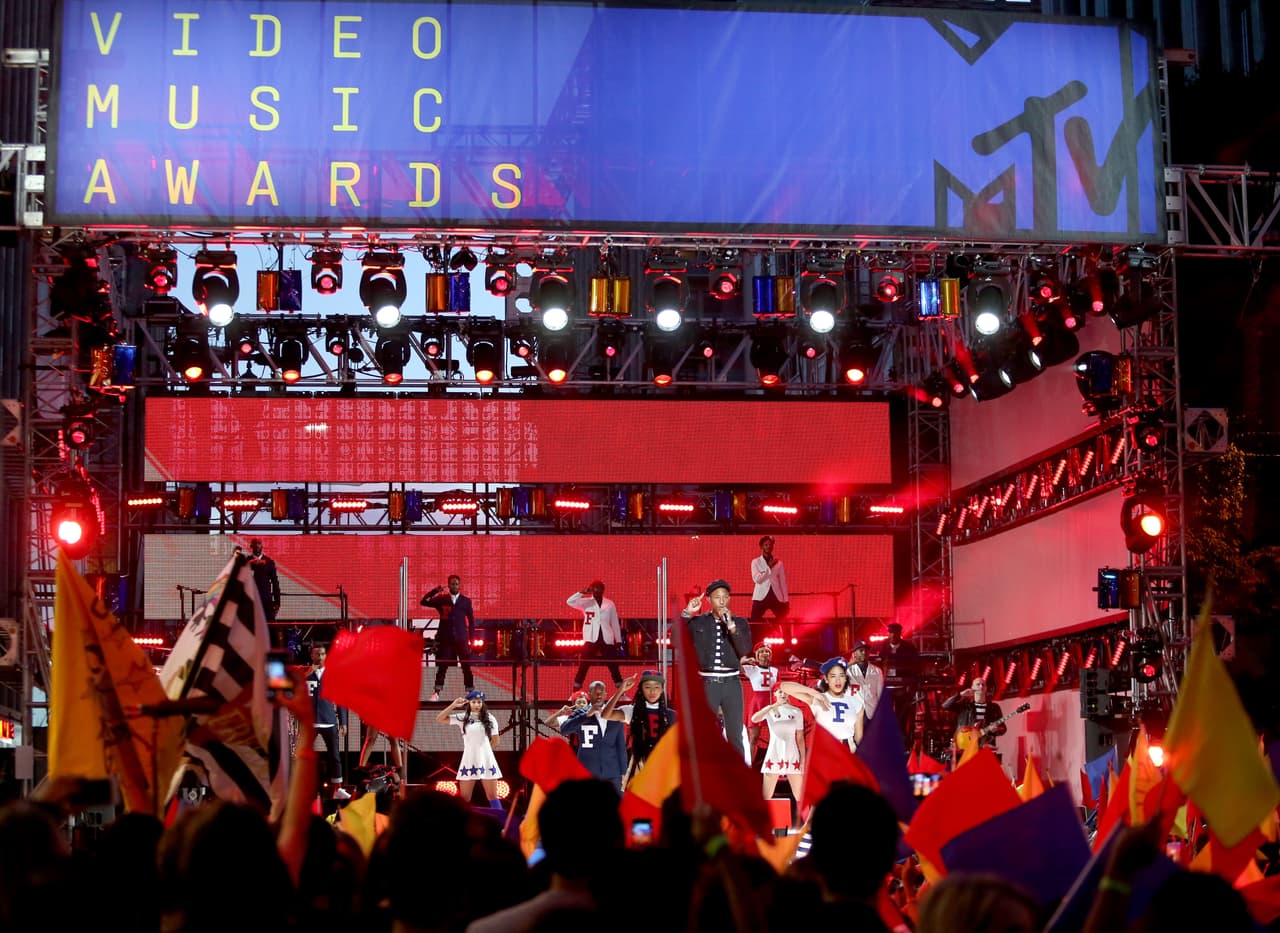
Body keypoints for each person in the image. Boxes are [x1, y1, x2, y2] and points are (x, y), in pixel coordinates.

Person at [680, 579, 753, 761]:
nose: (721, 601)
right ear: (709, 600)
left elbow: (744, 649)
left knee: (735, 733)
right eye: (717, 597)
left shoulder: (740, 623)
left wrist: (732, 627)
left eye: (725, 597)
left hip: (732, 683)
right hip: (707, 683)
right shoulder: (698, 622)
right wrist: (687, 612)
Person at [601, 670, 677, 784]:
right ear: (641, 689)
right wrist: (621, 690)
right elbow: (605, 714)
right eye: (647, 687)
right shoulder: (632, 711)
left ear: (662, 690)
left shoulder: (671, 715)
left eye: (656, 687)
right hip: (639, 767)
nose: (652, 691)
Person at [779, 657, 865, 752]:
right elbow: (784, 686)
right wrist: (813, 692)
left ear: (845, 678)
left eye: (841, 676)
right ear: (826, 679)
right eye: (833, 676)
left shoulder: (856, 702)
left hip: (848, 750)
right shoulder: (818, 699)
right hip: (824, 750)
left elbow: (859, 737)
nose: (838, 680)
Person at [435, 689, 503, 809]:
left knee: (492, 795)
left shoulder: (490, 718)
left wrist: (484, 754)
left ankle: (502, 824)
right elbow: (439, 718)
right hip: (469, 759)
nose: (476, 705)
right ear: (469, 703)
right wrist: (454, 705)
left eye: (479, 702)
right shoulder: (463, 718)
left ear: (482, 703)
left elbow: (495, 741)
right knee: (464, 798)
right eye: (473, 702)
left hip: (487, 760)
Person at [558, 681, 628, 793]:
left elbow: (620, 746)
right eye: (596, 693)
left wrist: (624, 772)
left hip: (612, 772)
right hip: (587, 772)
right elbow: (564, 729)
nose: (599, 696)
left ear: (606, 694)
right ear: (589, 694)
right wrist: (586, 715)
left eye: (602, 693)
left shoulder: (615, 714)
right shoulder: (581, 713)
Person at [304, 643, 349, 798]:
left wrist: (343, 722)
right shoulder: (305, 674)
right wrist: (306, 674)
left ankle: (338, 788)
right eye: (317, 654)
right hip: (310, 722)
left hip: (329, 720)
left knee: (334, 755)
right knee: (304, 755)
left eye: (323, 654)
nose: (320, 657)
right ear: (312, 656)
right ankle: (302, 787)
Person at [422, 574, 476, 701]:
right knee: (443, 665)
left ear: (460, 585)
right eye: (452, 583)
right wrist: (435, 591)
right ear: (448, 585)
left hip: (461, 639)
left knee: (466, 666)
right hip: (445, 639)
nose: (455, 586)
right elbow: (423, 601)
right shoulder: (442, 599)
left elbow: (472, 621)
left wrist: (472, 639)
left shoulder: (466, 601)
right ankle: (436, 692)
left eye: (457, 583)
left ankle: (470, 692)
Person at [750, 686, 805, 802]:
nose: (783, 694)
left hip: (792, 753)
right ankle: (765, 820)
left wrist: (803, 758)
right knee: (766, 795)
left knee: (800, 796)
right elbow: (754, 719)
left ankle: (808, 820)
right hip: (774, 752)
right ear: (774, 693)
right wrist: (772, 706)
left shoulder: (796, 711)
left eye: (786, 692)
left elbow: (800, 737)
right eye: (780, 692)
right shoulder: (770, 710)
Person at [567, 580, 623, 691]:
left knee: (613, 665)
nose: (598, 590)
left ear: (603, 590)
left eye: (600, 588)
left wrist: (618, 639)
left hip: (606, 637)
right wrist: (581, 592)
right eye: (595, 588)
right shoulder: (586, 602)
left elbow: (614, 621)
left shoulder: (609, 604)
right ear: (592, 589)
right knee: (584, 664)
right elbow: (570, 602)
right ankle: (576, 690)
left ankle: (620, 690)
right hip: (591, 637)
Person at [942, 676, 1006, 758]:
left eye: (983, 685)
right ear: (972, 688)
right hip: (966, 747)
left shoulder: (994, 707)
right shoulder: (964, 706)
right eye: (978, 684)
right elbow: (945, 706)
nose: (981, 686)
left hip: (986, 747)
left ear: (986, 688)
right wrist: (961, 694)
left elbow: (1003, 728)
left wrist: (996, 729)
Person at [743, 642, 780, 754]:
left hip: (771, 702)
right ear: (757, 655)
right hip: (757, 703)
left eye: (767, 651)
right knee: (754, 737)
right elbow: (733, 664)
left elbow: (779, 687)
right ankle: (749, 764)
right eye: (762, 651)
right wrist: (745, 661)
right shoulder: (751, 669)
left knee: (776, 736)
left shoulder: (775, 670)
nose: (765, 654)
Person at [750, 535, 790, 622]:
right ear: (761, 546)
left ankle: (784, 635)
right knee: (754, 621)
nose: (769, 546)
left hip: (776, 595)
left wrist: (786, 600)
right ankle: (757, 634)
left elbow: (782, 582)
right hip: (761, 596)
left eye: (770, 544)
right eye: (766, 545)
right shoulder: (756, 562)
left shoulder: (779, 563)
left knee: (783, 620)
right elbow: (757, 579)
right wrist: (769, 567)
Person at [846, 640, 885, 720]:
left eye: (866, 650)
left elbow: (880, 694)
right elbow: (834, 673)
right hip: (855, 712)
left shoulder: (877, 671)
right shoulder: (848, 670)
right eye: (861, 650)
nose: (864, 653)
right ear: (854, 653)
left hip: (872, 711)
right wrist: (851, 663)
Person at [246, 537, 281, 623]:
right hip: (250, 601)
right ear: (251, 546)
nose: (257, 546)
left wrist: (277, 601)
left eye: (259, 543)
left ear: (262, 546)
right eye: (255, 544)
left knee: (269, 627)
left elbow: (275, 582)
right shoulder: (245, 562)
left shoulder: (269, 562)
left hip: (266, 601)